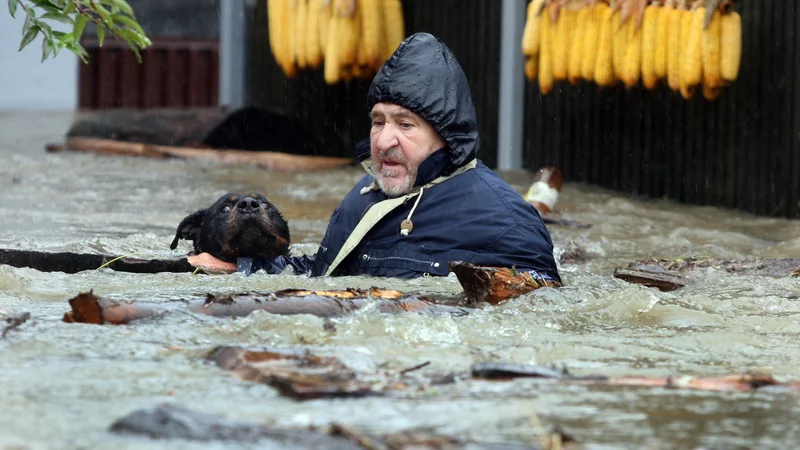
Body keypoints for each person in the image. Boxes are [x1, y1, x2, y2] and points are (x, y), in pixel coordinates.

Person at [189, 32, 561, 285]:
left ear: (446, 135)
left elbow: (542, 311)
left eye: (405, 124)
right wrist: (242, 268)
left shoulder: (508, 224)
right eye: (378, 121)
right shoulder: (362, 199)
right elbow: (323, 274)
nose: (384, 140)